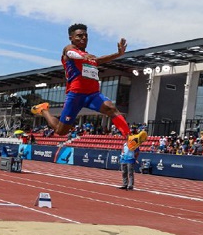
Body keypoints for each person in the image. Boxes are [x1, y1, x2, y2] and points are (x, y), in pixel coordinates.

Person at [30, 23, 146, 151]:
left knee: (111, 108)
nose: (83, 38)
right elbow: (70, 53)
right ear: (71, 38)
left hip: (93, 94)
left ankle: (130, 138)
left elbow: (99, 60)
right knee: (60, 131)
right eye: (79, 36)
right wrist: (83, 56)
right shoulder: (69, 50)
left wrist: (118, 54)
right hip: (75, 95)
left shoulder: (89, 56)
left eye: (85, 36)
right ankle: (43, 110)